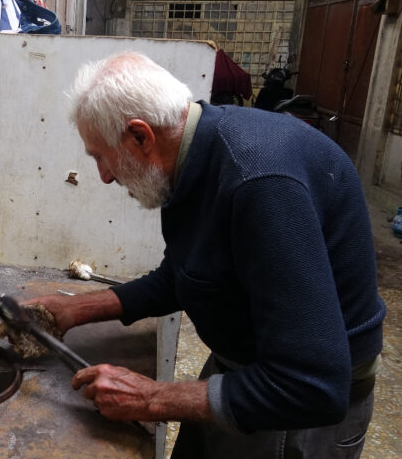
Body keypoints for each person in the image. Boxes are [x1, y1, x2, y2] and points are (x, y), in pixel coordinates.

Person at [25, 51, 386, 458]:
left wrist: (152, 398)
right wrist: (78, 309)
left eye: (101, 157)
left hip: (291, 411)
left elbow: (312, 386)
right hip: (242, 365)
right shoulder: (194, 155)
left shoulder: (258, 183)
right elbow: (188, 274)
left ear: (141, 136)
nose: (105, 176)